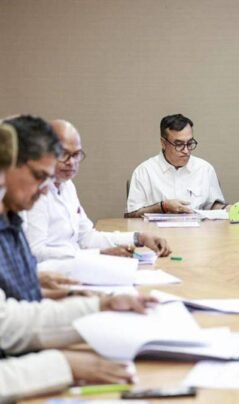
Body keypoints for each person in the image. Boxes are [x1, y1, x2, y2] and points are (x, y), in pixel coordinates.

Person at [0, 121, 157, 401]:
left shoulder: (10, 219)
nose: (45, 189)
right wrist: (63, 365)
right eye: (39, 176)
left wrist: (99, 308)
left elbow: (10, 322)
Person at [24, 120, 171, 262]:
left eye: (76, 154)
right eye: (63, 154)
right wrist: (97, 254)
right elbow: (35, 252)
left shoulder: (67, 186)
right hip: (50, 273)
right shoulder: (33, 192)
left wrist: (140, 238)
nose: (71, 162)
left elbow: (87, 238)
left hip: (74, 266)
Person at [0, 115, 61, 301]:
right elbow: (7, 315)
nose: (44, 191)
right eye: (39, 176)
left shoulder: (14, 219)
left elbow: (24, 296)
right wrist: (92, 305)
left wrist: (72, 295)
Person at [126, 114, 227, 217]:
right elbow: (131, 216)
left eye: (189, 143)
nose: (186, 151)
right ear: (163, 143)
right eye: (179, 144)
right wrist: (163, 207)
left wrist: (226, 208)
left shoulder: (205, 169)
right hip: (155, 228)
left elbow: (213, 206)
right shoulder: (144, 171)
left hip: (198, 227)